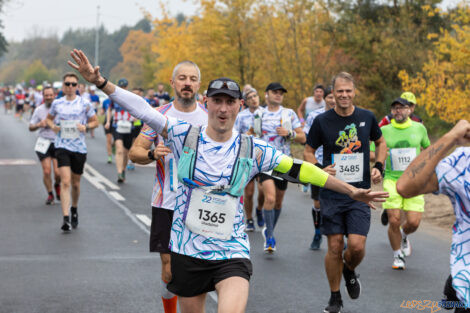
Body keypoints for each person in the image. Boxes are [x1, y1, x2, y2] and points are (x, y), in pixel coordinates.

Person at [69, 48, 388, 313]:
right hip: (187, 249)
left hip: (231, 251)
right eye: (217, 101)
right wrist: (100, 82)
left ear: (239, 106)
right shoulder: (182, 135)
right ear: (207, 103)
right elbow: (141, 108)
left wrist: (351, 190)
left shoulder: (252, 148)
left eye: (229, 102)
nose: (223, 109)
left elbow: (300, 170)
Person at [129, 60, 208, 313]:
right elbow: (134, 152)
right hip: (167, 202)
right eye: (182, 78)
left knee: (199, 266)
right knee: (169, 268)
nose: (187, 83)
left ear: (198, 84)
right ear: (173, 83)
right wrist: (152, 154)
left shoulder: (209, 117)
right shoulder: (159, 115)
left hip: (200, 201)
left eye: (192, 79)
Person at [304, 72, 387, 313]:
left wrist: (379, 166)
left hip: (360, 193)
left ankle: (349, 269)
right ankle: (334, 296)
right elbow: (308, 151)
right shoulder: (322, 121)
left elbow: (381, 143)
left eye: (348, 91)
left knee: (357, 247)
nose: (344, 95)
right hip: (331, 193)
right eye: (339, 91)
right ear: (333, 93)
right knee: (334, 247)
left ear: (354, 92)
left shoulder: (367, 117)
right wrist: (319, 169)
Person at [396, 120, 470, 313]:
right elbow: (405, 186)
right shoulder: (463, 162)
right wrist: (450, 138)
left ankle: (453, 281)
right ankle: (456, 281)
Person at [371, 97, 430, 270]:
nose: (398, 111)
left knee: (413, 222)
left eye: (402, 108)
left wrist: (425, 164)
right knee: (394, 220)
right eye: (395, 108)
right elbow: (372, 153)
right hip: (391, 179)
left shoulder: (419, 128)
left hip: (414, 181)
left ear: (409, 110)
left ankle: (403, 236)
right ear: (391, 111)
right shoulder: (384, 130)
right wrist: (382, 155)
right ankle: (398, 256)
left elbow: (429, 149)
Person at [46, 72, 99, 231]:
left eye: (73, 84)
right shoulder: (57, 103)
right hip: (62, 145)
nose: (70, 87)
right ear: (63, 86)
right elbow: (49, 118)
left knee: (76, 183)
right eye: (67, 84)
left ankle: (74, 208)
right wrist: (53, 126)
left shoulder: (84, 103)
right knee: (65, 182)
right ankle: (65, 217)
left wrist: (86, 127)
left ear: (77, 86)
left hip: (79, 148)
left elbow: (95, 122)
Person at [257, 82, 306, 253]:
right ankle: (270, 236)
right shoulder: (259, 113)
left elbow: (302, 137)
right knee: (269, 198)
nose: (278, 95)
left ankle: (269, 228)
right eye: (274, 92)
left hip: (284, 162)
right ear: (266, 94)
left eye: (281, 93)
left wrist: (290, 133)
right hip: (264, 162)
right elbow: (249, 132)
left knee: (278, 202)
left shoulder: (289, 113)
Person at [302, 85, 336, 250]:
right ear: (325, 98)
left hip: (340, 165)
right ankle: (317, 232)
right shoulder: (315, 116)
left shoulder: (347, 116)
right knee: (318, 203)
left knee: (340, 201)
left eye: (335, 96)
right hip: (319, 163)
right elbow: (307, 140)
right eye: (329, 97)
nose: (333, 100)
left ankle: (339, 234)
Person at [234, 87, 265, 231]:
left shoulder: (265, 113)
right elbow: (235, 137)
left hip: (263, 157)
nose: (254, 99)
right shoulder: (241, 116)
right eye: (250, 97)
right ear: (245, 101)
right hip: (247, 157)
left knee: (263, 190)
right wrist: (248, 133)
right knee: (249, 192)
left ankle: (259, 209)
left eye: (255, 96)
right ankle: (249, 219)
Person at [29, 86, 61, 204]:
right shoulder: (38, 110)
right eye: (46, 95)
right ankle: (50, 194)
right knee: (47, 171)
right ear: (43, 96)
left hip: (57, 142)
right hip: (43, 142)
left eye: (50, 95)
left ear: (54, 96)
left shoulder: (60, 109)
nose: (48, 97)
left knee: (58, 173)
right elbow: (30, 127)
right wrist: (39, 124)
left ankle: (57, 185)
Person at [105, 78, 133, 182]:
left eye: (124, 87)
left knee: (126, 152)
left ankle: (123, 169)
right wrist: (108, 121)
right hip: (117, 126)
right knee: (119, 149)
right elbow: (109, 109)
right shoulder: (113, 97)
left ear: (127, 87)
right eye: (121, 87)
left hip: (129, 127)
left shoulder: (131, 97)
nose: (123, 89)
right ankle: (119, 172)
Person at [101, 95, 114, 164]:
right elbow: (102, 110)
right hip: (107, 121)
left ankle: (114, 145)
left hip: (116, 121)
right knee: (109, 139)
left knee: (115, 140)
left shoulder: (117, 100)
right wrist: (102, 112)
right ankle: (109, 156)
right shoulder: (105, 101)